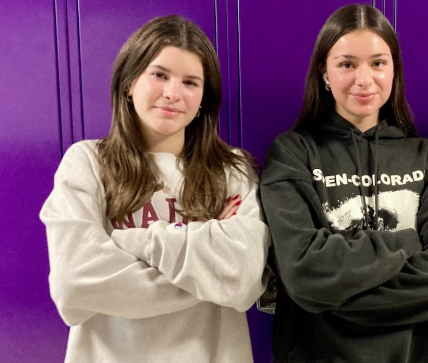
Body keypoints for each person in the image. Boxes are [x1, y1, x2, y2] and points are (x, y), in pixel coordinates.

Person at [40, 15, 270, 363]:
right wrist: (208, 266)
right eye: (159, 75)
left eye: (191, 82)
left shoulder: (232, 170)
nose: (173, 93)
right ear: (130, 83)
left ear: (204, 99)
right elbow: (75, 281)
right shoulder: (87, 162)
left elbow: (243, 277)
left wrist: (128, 242)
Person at [260, 4, 428, 363]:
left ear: (394, 71)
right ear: (324, 72)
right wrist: (406, 241)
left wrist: (330, 298)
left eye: (377, 63)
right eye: (346, 64)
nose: (364, 78)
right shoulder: (293, 153)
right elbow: (304, 273)